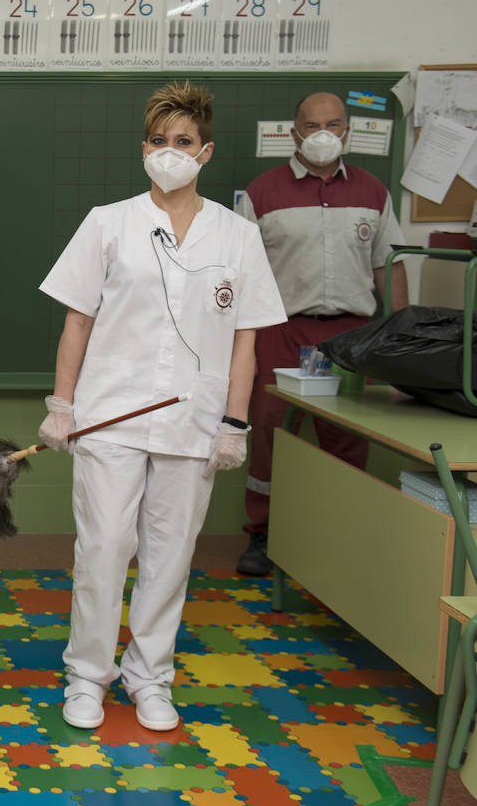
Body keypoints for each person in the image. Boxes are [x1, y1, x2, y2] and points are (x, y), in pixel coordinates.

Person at [38, 82, 285, 732]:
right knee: (104, 547)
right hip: (107, 415)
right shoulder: (108, 221)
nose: (169, 152)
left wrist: (235, 421)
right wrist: (61, 405)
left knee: (170, 554)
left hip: (194, 421)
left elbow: (245, 340)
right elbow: (76, 324)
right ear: (143, 148)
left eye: (182, 142)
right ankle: (88, 675)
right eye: (158, 141)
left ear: (205, 151)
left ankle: (150, 676)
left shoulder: (236, 236)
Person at [233, 92, 409, 576]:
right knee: (269, 430)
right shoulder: (261, 193)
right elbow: (240, 273)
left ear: (348, 130)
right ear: (294, 134)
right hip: (281, 329)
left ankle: (343, 533)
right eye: (312, 126)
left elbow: (387, 267)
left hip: (353, 335)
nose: (323, 134)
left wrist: (399, 340)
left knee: (348, 435)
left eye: (333, 123)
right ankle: (263, 535)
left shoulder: (374, 191)